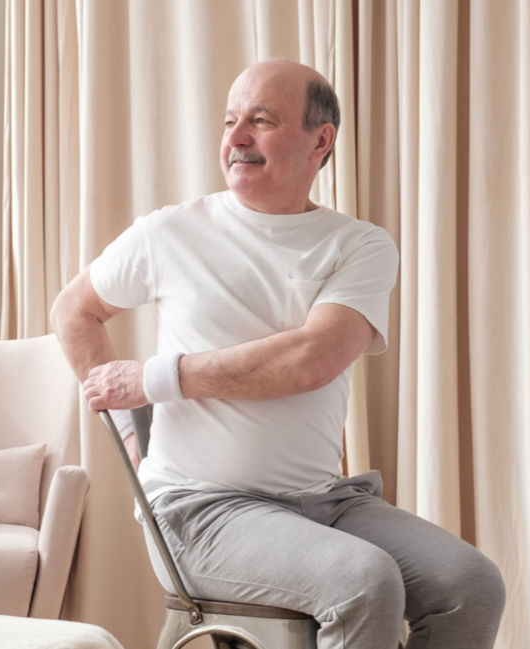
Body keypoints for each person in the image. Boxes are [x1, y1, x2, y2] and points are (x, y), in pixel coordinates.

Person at [50, 59, 505, 649]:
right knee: (363, 583)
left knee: (472, 584)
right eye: (231, 121)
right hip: (201, 510)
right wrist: (134, 442)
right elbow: (73, 311)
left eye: (261, 121)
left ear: (321, 140)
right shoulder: (170, 234)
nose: (237, 138)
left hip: (324, 502)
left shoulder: (358, 244)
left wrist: (154, 379)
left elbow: (311, 359)